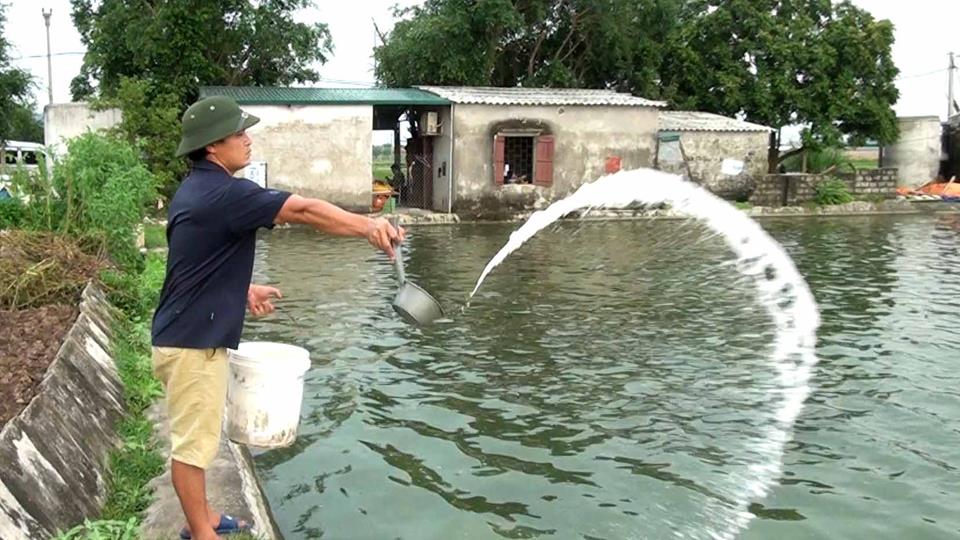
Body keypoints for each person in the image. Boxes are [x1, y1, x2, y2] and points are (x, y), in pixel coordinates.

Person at [150, 96, 404, 540]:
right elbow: (302, 210)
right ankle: (201, 534)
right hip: (192, 344)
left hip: (185, 331)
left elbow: (193, 260)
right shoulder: (227, 193)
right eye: (238, 134)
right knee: (193, 447)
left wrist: (241, 290)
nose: (248, 141)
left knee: (204, 438)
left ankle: (206, 516)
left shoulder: (197, 189)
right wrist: (367, 227)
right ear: (213, 146)